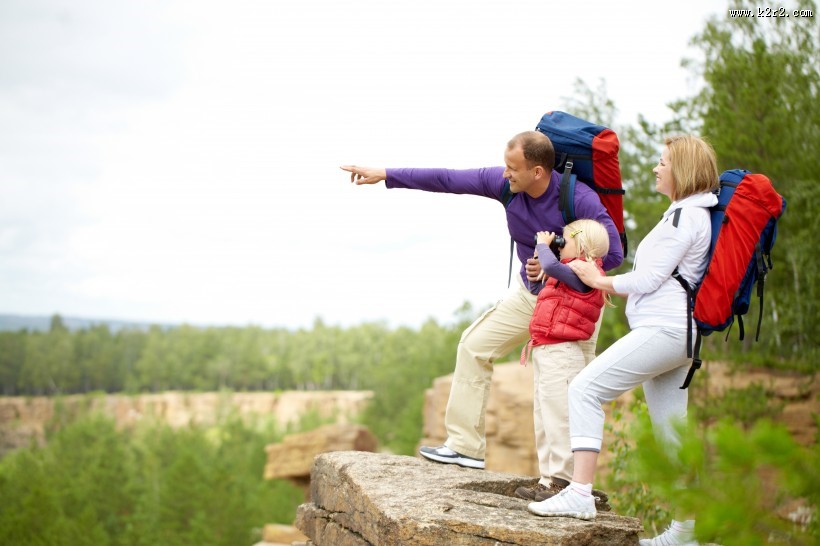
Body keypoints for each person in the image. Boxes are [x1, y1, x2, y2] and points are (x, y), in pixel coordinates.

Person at [341, 131, 624, 480]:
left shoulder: (578, 198)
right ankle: (465, 447)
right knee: (474, 346)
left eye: (513, 168)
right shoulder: (505, 185)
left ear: (537, 171)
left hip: (572, 305)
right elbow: (447, 179)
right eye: (505, 166)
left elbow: (613, 254)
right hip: (529, 296)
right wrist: (386, 174)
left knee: (564, 392)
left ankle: (565, 483)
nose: (505, 174)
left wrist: (557, 265)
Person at [526, 135, 719, 546]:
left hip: (664, 331)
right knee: (672, 434)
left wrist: (601, 280)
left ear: (681, 169)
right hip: (678, 334)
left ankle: (579, 492)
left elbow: (649, 279)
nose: (656, 167)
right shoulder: (685, 214)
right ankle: (685, 533)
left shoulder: (686, 217)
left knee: (583, 389)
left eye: (662, 161)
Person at [519, 219, 613, 504]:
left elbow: (552, 266)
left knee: (560, 418)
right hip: (546, 351)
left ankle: (564, 481)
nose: (559, 243)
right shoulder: (567, 274)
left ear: (582, 246)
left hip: (562, 354)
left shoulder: (586, 271)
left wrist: (542, 246)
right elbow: (544, 290)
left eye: (564, 240)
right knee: (544, 417)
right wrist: (536, 274)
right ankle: (548, 479)